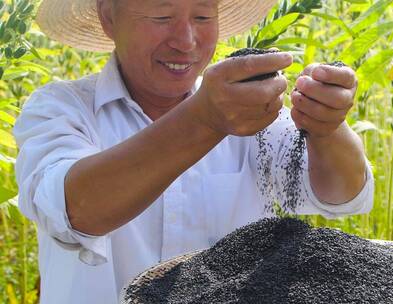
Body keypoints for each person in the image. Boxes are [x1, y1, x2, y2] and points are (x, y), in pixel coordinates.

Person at [13, 0, 374, 303]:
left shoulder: (252, 113)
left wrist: (326, 128)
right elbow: (78, 209)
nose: (186, 42)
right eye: (161, 17)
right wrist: (205, 120)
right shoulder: (61, 110)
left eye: (202, 17)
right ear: (110, 17)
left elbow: (343, 195)